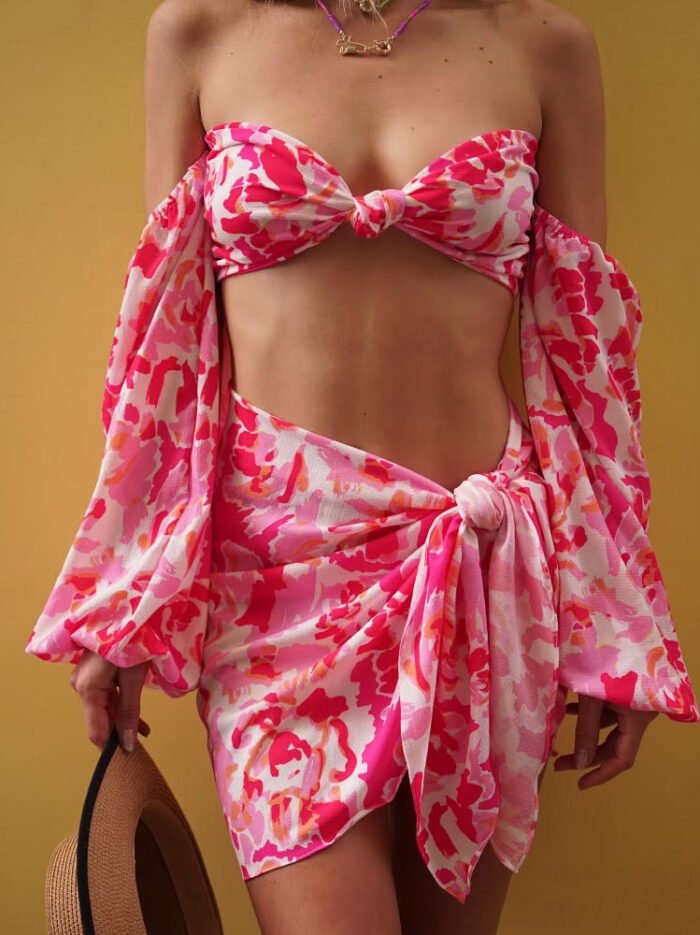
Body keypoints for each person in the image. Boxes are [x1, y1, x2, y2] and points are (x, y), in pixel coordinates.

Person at [25, 1, 699, 933]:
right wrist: (130, 594)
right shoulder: (199, 32)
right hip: (275, 592)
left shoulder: (545, 43)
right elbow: (168, 346)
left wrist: (616, 624)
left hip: (479, 571)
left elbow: (587, 356)